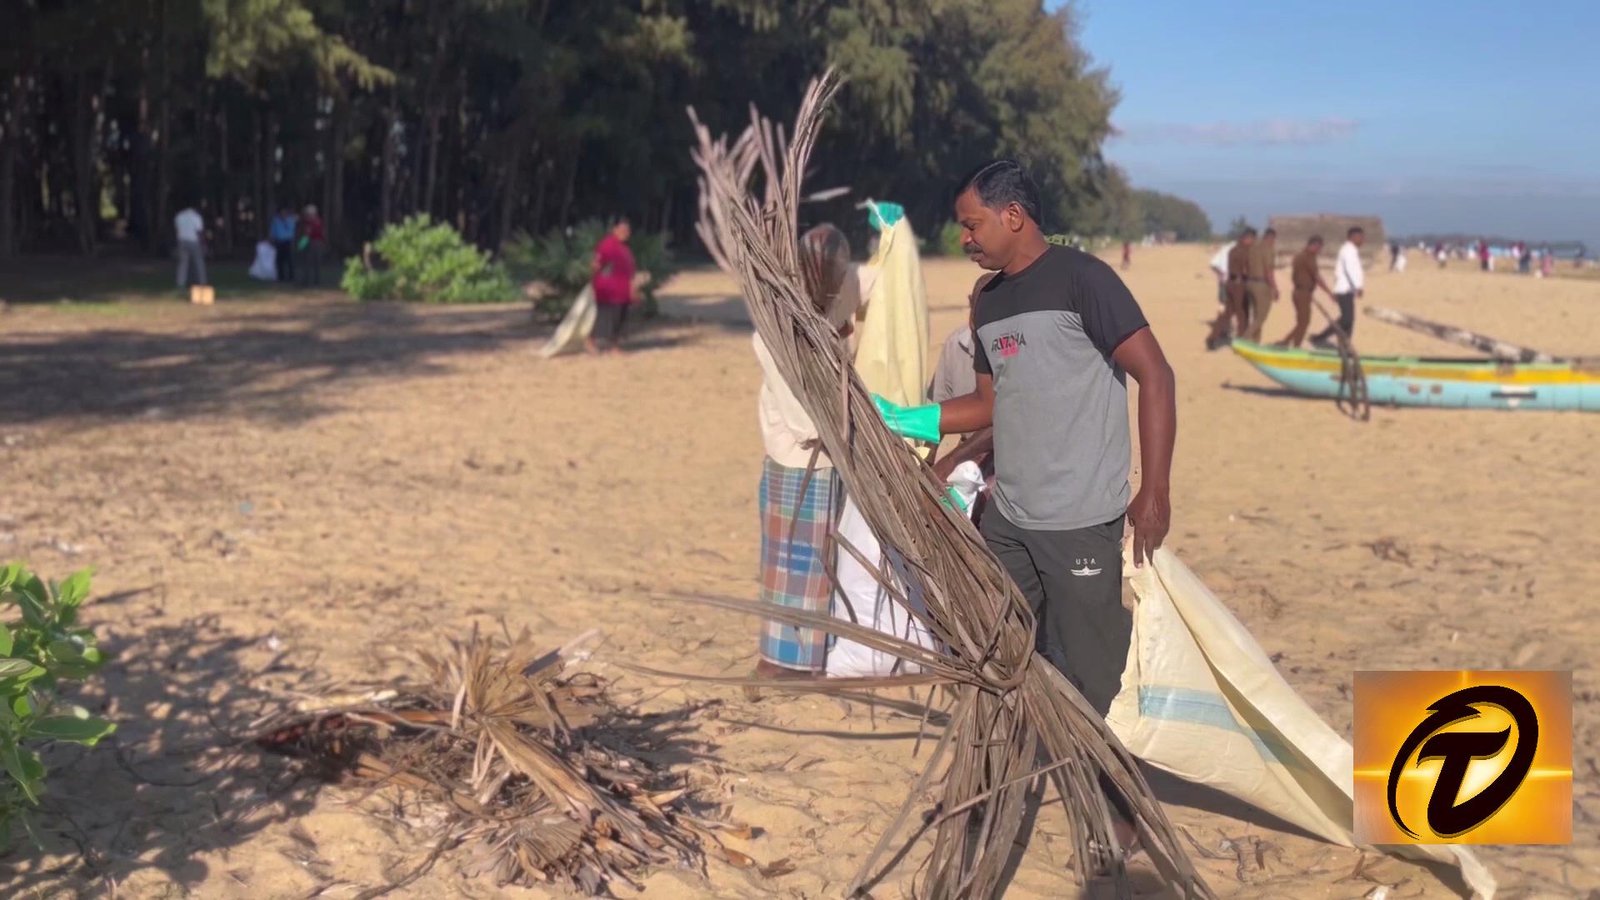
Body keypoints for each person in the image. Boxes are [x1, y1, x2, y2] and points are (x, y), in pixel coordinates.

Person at [872, 159, 1176, 857]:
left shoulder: (1083, 280)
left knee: (1094, 669)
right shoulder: (991, 303)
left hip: (1081, 516)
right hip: (1009, 516)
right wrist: (911, 419)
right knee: (1003, 649)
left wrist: (1154, 490)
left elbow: (1155, 373)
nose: (964, 238)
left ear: (1014, 216)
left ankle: (1120, 803)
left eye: (972, 224)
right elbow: (988, 404)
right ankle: (996, 780)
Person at [752, 223, 860, 680]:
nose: (834, 285)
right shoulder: (778, 335)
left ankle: (804, 660)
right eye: (828, 276)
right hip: (799, 463)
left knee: (813, 567)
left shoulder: (822, 325)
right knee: (792, 568)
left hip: (819, 466)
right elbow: (805, 423)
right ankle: (783, 662)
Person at [586, 218, 637, 354]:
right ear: (614, 230)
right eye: (622, 230)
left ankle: (615, 345)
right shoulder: (607, 245)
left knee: (620, 318)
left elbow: (630, 270)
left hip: (623, 290)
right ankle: (590, 340)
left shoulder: (625, 249)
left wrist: (633, 288)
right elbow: (597, 263)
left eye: (627, 231)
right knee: (605, 318)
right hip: (608, 289)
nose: (625, 233)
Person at [1311, 226, 1366, 347]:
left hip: (1347, 290)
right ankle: (1321, 337)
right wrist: (1358, 286)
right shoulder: (1348, 250)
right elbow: (1349, 269)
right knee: (1347, 319)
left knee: (1349, 320)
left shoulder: (1351, 250)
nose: (1363, 240)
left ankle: (1345, 345)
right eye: (1361, 237)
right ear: (1353, 237)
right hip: (1344, 290)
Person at [1276, 236, 1334, 348]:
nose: (1319, 251)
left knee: (1302, 322)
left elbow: (1295, 276)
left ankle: (1287, 342)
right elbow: (1317, 277)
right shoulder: (1308, 257)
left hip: (1300, 291)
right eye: (1319, 248)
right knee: (1304, 322)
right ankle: (1291, 344)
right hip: (1303, 293)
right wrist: (1329, 293)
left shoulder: (1299, 256)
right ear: (1314, 245)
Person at [1243, 227, 1277, 342]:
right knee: (1261, 317)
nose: (1273, 242)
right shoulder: (1267, 249)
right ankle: (1245, 338)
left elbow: (1246, 266)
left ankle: (1256, 342)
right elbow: (1268, 270)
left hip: (1249, 283)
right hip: (1261, 285)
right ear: (1271, 238)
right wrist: (1274, 288)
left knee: (1256, 315)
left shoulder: (1252, 248)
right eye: (1273, 240)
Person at [1202, 238, 1236, 350]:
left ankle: (1223, 330)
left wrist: (1220, 274)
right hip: (1234, 283)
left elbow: (1213, 264)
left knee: (1223, 306)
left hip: (1224, 282)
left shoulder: (1224, 249)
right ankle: (1223, 331)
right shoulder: (1239, 249)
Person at [174, 203, 208, 289]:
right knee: (199, 262)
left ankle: (180, 283)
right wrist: (203, 244)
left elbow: (177, 229)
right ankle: (202, 282)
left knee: (182, 264)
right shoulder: (196, 217)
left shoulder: (179, 216)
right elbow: (199, 232)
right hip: (194, 241)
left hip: (182, 241)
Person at [296, 205, 326, 287]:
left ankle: (309, 281)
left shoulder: (313, 222)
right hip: (315, 242)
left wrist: (301, 245)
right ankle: (312, 280)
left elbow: (307, 234)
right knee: (311, 263)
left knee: (310, 262)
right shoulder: (314, 221)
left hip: (313, 242)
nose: (307, 215)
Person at [270, 206, 298, 282]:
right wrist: (272, 238)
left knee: (290, 260)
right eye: (282, 212)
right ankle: (281, 276)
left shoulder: (291, 220)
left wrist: (287, 220)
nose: (283, 214)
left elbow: (292, 229)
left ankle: (291, 276)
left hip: (288, 241)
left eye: (285, 212)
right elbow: (273, 230)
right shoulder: (276, 220)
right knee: (279, 260)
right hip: (279, 242)